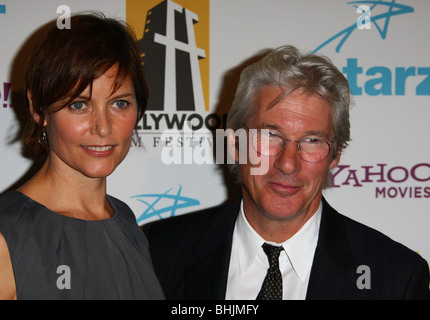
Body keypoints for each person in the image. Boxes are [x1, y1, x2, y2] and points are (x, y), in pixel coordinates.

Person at [143, 45, 430, 300]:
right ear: (234, 144)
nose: (288, 163)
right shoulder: (158, 253)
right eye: (270, 136)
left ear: (335, 156)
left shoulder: (396, 277)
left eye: (313, 140)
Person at [0, 13, 164, 300]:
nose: (103, 127)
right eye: (79, 105)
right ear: (39, 109)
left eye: (119, 103)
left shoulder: (125, 222)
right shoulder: (7, 236)